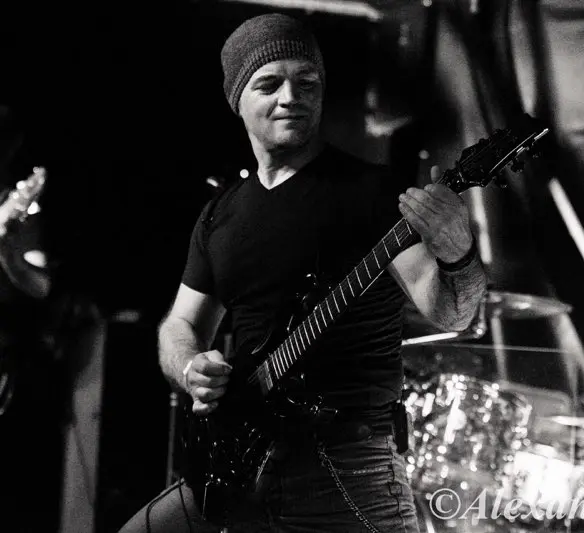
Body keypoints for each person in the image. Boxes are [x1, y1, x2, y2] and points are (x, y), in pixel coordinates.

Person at [118, 12, 487, 533]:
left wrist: (459, 255)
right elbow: (179, 325)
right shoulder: (220, 215)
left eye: (306, 82)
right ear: (237, 99)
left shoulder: (374, 195)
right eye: (270, 84)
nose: (291, 96)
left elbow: (452, 311)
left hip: (347, 470)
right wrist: (190, 367)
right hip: (234, 468)